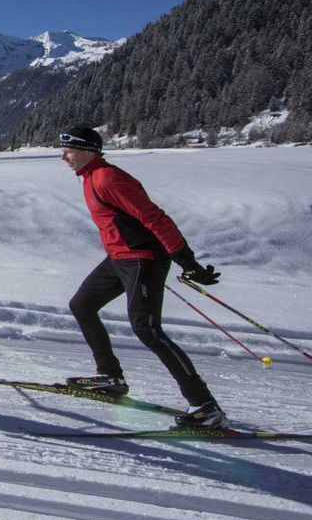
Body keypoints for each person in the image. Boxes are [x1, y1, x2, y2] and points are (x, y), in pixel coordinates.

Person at [58, 126, 226, 428]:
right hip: (119, 258)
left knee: (147, 329)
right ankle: (110, 377)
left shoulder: (109, 179)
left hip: (141, 260)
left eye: (68, 150)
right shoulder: (90, 177)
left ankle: (205, 407)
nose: (63, 156)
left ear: (87, 151)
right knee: (81, 306)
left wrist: (186, 260)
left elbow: (155, 218)